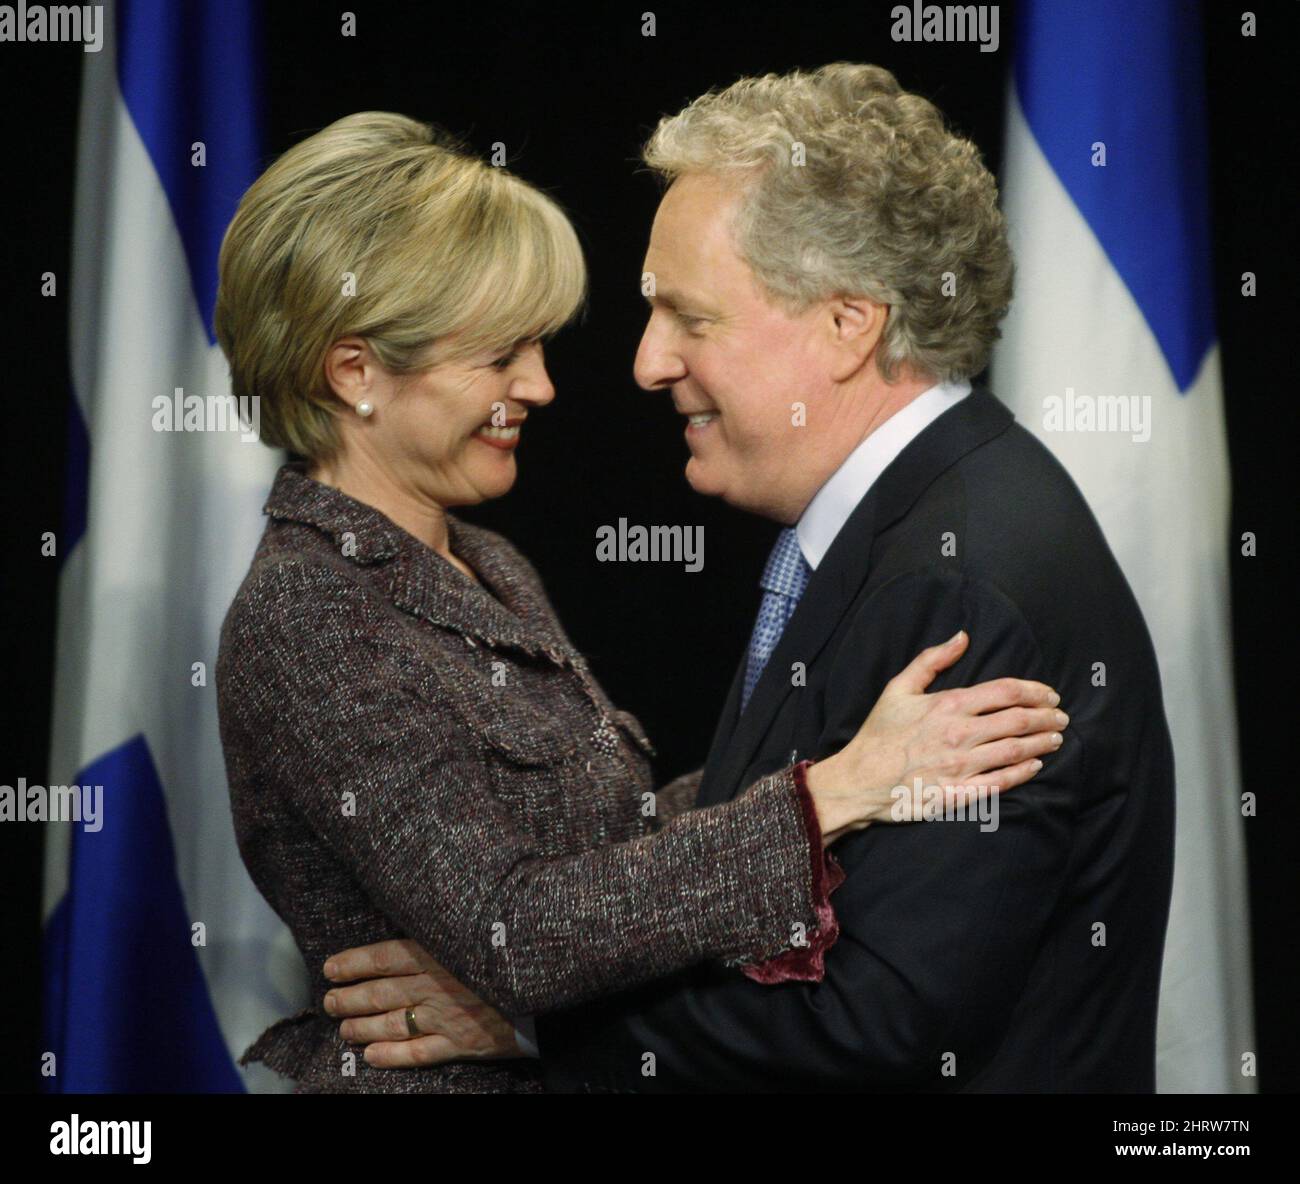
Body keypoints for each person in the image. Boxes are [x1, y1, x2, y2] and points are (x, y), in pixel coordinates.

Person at [326, 64, 1175, 1093]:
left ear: (846, 323)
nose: (646, 362)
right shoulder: (914, 522)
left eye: (691, 317)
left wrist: (532, 1019)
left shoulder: (950, 586)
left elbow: (870, 1019)